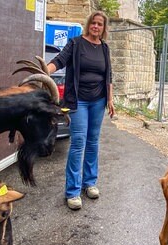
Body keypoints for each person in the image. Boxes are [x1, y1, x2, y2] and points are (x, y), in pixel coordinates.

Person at [47, 11, 115, 210]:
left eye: (100, 24)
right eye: (93, 23)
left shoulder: (104, 48)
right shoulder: (76, 43)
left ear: (104, 28)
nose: (96, 26)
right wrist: (44, 70)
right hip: (78, 101)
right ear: (89, 25)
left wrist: (110, 99)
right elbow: (59, 61)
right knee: (78, 142)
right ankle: (73, 191)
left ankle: (90, 183)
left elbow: (108, 75)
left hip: (98, 101)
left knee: (93, 141)